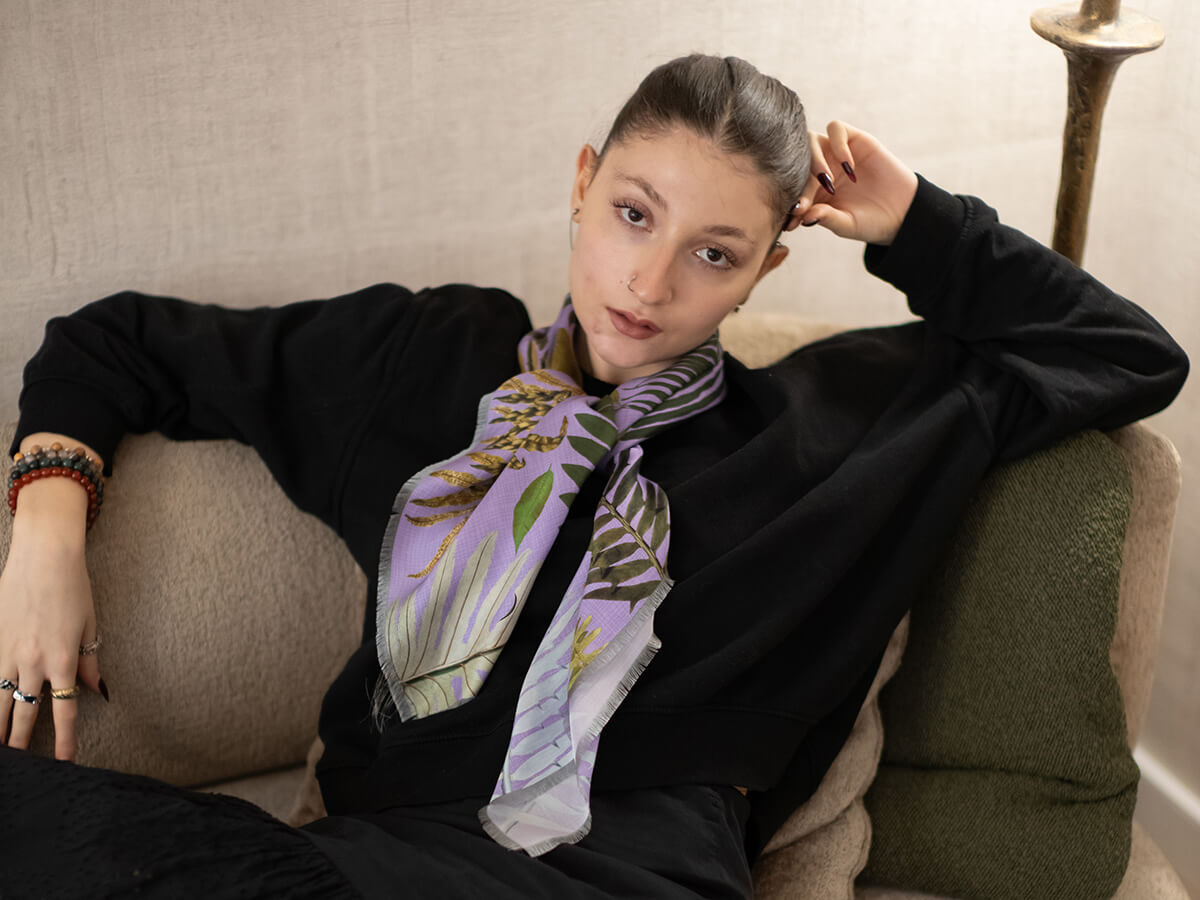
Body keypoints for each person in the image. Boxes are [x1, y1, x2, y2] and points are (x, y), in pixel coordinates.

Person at [0, 53, 1187, 899]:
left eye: (712, 253)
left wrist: (919, 224)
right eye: (631, 213)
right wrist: (49, 533)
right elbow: (116, 344)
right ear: (582, 184)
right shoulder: (425, 362)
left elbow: (1129, 357)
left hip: (635, 869)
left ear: (763, 270)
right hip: (371, 857)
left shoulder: (836, 428)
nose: (649, 282)